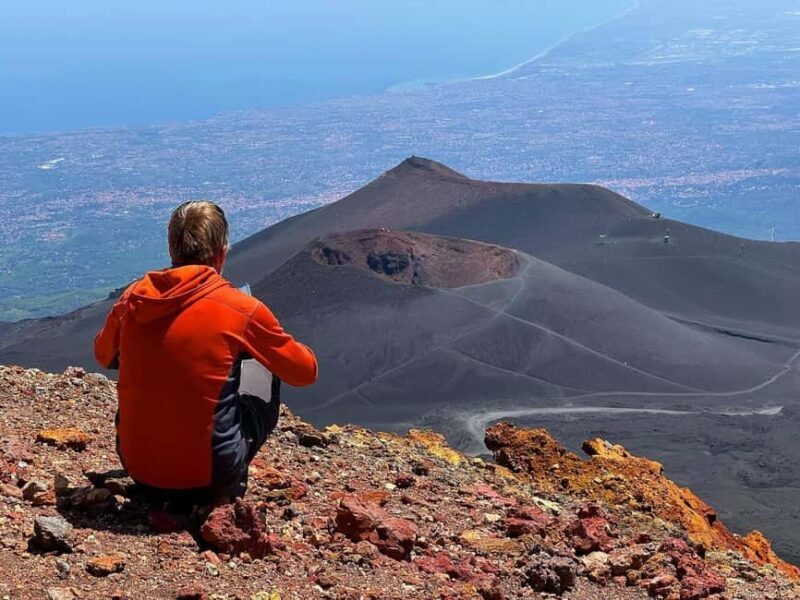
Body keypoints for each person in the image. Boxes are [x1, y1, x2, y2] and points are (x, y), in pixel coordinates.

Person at [94, 201, 318, 504]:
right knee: (262, 365)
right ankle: (226, 478)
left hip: (138, 468)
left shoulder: (133, 299)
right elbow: (304, 373)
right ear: (222, 253)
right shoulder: (240, 308)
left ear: (172, 250)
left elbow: (104, 356)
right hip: (209, 477)